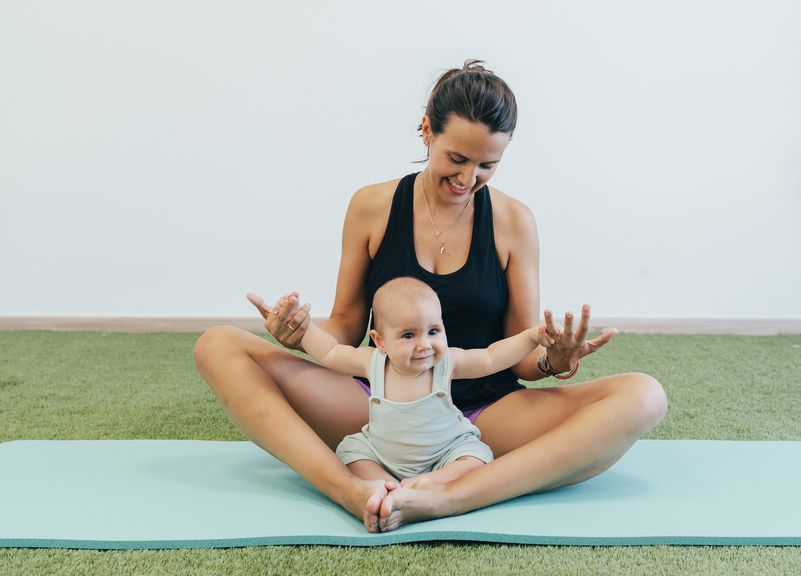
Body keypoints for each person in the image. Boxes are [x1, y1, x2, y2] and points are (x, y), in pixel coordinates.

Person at [194, 59, 668, 533]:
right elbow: (346, 325)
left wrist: (553, 359)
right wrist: (299, 332)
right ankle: (348, 489)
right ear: (427, 131)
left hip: (483, 416)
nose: (468, 179)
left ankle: (454, 495)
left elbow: (521, 356)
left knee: (643, 396)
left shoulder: (514, 222)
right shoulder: (371, 207)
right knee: (217, 344)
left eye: (487, 165)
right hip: (380, 404)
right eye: (457, 159)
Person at [292, 276, 554, 487]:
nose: (424, 345)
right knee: (350, 453)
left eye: (433, 331)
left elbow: (490, 358)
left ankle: (429, 482)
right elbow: (329, 352)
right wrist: (303, 328)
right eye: (408, 335)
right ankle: (386, 485)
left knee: (476, 457)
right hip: (383, 455)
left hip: (443, 455)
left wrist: (530, 338)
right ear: (380, 341)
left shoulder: (446, 363)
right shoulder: (372, 362)